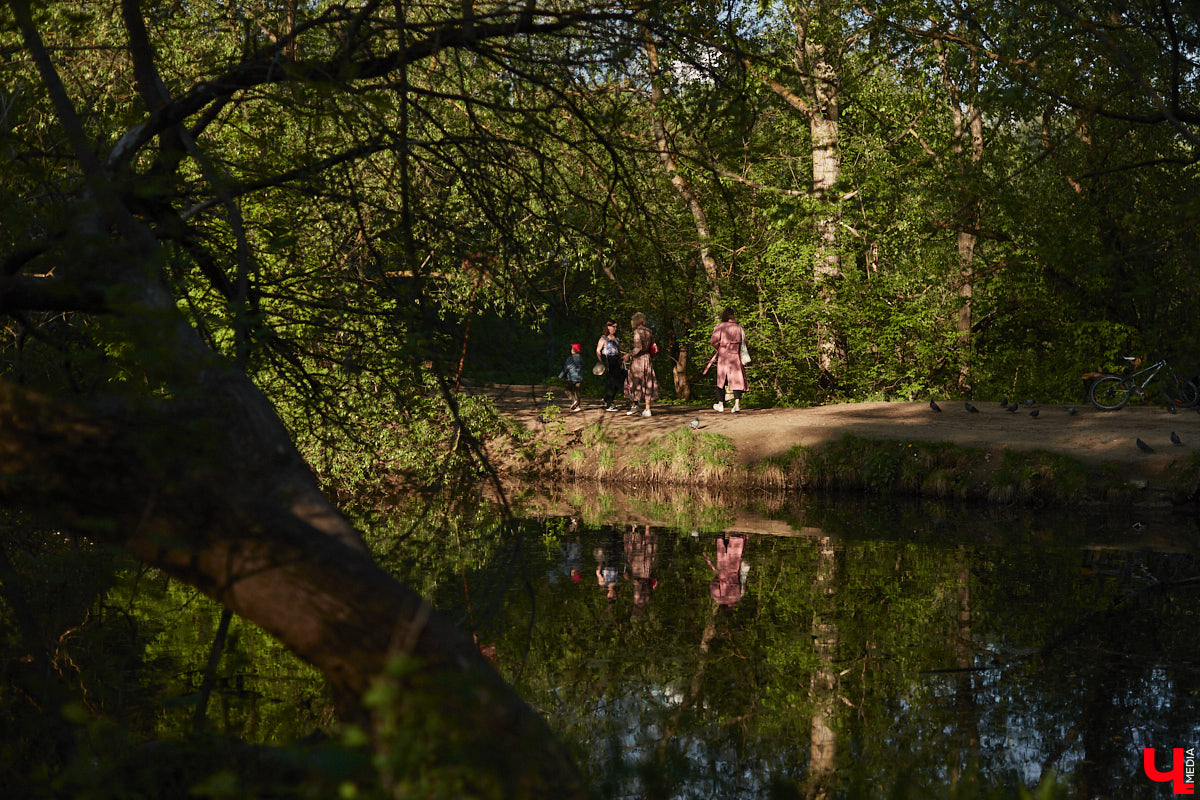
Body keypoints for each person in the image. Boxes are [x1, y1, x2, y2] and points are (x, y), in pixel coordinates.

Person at [706, 307, 747, 413]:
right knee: (736, 379)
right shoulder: (739, 327)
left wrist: (719, 347)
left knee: (721, 379)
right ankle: (737, 404)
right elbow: (745, 342)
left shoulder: (720, 326)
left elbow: (713, 341)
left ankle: (720, 404)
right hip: (735, 355)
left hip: (724, 356)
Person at [623, 312, 659, 417]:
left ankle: (634, 405)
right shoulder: (649, 331)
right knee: (648, 381)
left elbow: (638, 347)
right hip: (647, 359)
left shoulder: (637, 332)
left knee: (632, 380)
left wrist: (628, 355)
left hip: (638, 360)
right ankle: (647, 409)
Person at [705, 534, 748, 607]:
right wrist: (718, 578)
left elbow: (743, 584)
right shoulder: (718, 599)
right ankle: (721, 536)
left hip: (734, 569)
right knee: (722, 552)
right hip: (723, 571)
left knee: (734, 553)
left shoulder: (738, 597)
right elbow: (713, 585)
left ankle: (736, 537)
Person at [595, 319, 625, 412]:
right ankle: (609, 404)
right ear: (608, 327)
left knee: (619, 381)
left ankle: (607, 399)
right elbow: (598, 350)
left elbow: (618, 350)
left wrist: (621, 359)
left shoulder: (617, 338)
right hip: (608, 360)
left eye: (616, 327)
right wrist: (601, 361)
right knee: (611, 382)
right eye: (613, 327)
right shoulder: (603, 338)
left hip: (616, 361)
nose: (615, 329)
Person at [557, 342, 584, 411]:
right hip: (579, 377)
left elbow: (566, 368)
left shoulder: (570, 358)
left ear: (573, 350)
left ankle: (574, 400)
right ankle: (577, 406)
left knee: (567, 389)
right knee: (577, 392)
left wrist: (560, 376)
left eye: (572, 348)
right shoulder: (581, 358)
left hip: (571, 377)